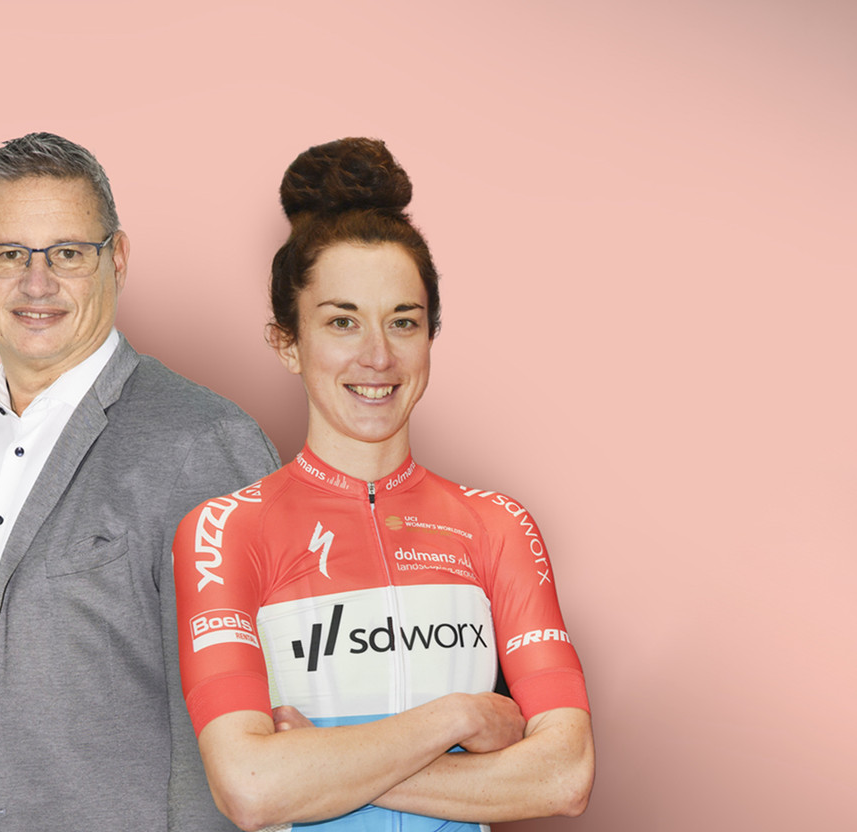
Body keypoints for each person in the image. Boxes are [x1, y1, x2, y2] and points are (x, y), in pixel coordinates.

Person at [172, 137, 594, 831]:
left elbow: (564, 773)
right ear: (287, 342)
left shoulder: (497, 524)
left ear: (431, 336)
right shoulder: (224, 531)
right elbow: (248, 786)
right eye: (341, 322)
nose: (377, 356)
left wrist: (317, 769)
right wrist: (456, 716)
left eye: (404, 322)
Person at [0, 132, 280, 832]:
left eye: (66, 253)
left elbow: (244, 738)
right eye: (8, 255)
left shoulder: (204, 444)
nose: (36, 283)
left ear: (115, 258)